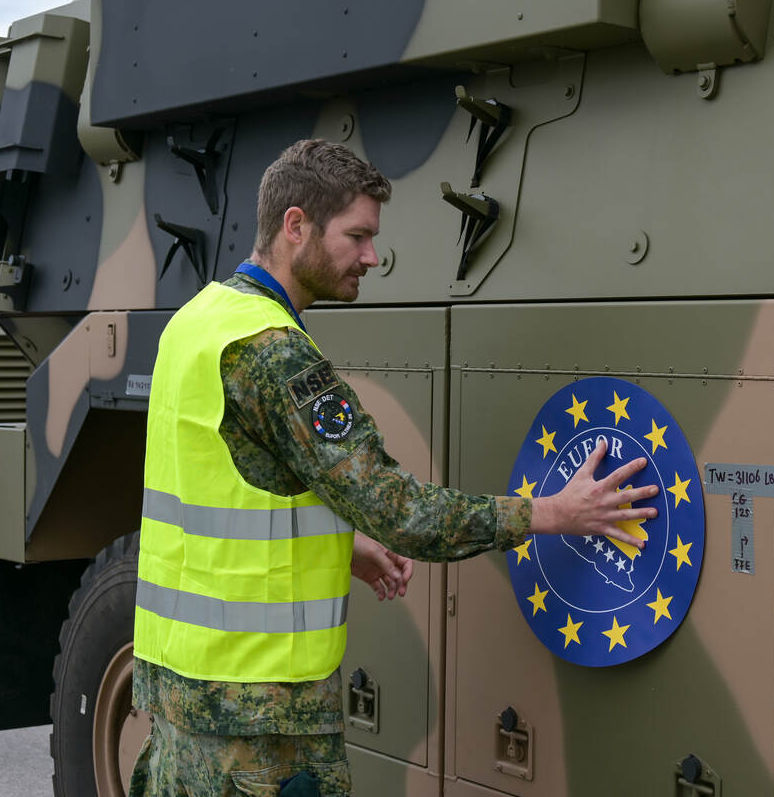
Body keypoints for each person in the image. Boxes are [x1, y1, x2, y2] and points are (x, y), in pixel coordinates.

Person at [129, 138, 658, 796]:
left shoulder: (196, 322)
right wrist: (554, 512)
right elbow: (402, 511)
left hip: (182, 697)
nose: (372, 257)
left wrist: (339, 543)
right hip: (261, 725)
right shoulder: (274, 354)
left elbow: (225, 484)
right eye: (357, 236)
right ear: (296, 227)